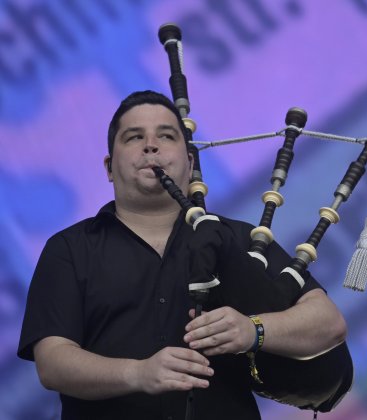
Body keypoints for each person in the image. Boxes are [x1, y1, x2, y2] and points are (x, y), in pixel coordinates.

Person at [18, 90, 349, 419]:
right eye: (134, 137)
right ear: (109, 166)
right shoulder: (70, 249)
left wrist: (254, 330)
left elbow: (327, 322)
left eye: (166, 135)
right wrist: (138, 374)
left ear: (190, 163)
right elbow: (53, 363)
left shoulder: (232, 238)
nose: (151, 145)